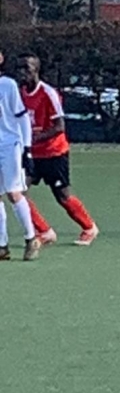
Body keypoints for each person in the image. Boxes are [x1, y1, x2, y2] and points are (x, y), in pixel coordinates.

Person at [18, 54, 99, 246]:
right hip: (32, 154)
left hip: (53, 152)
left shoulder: (48, 93)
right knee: (18, 192)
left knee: (62, 195)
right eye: (19, 68)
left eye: (26, 68)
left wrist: (36, 137)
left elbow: (59, 126)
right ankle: (45, 232)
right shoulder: (19, 93)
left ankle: (89, 228)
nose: (22, 72)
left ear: (36, 70)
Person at [0, 49, 40, 261]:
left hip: (9, 145)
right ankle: (2, 245)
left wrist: (27, 149)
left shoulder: (7, 85)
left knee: (14, 193)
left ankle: (31, 238)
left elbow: (22, 117)